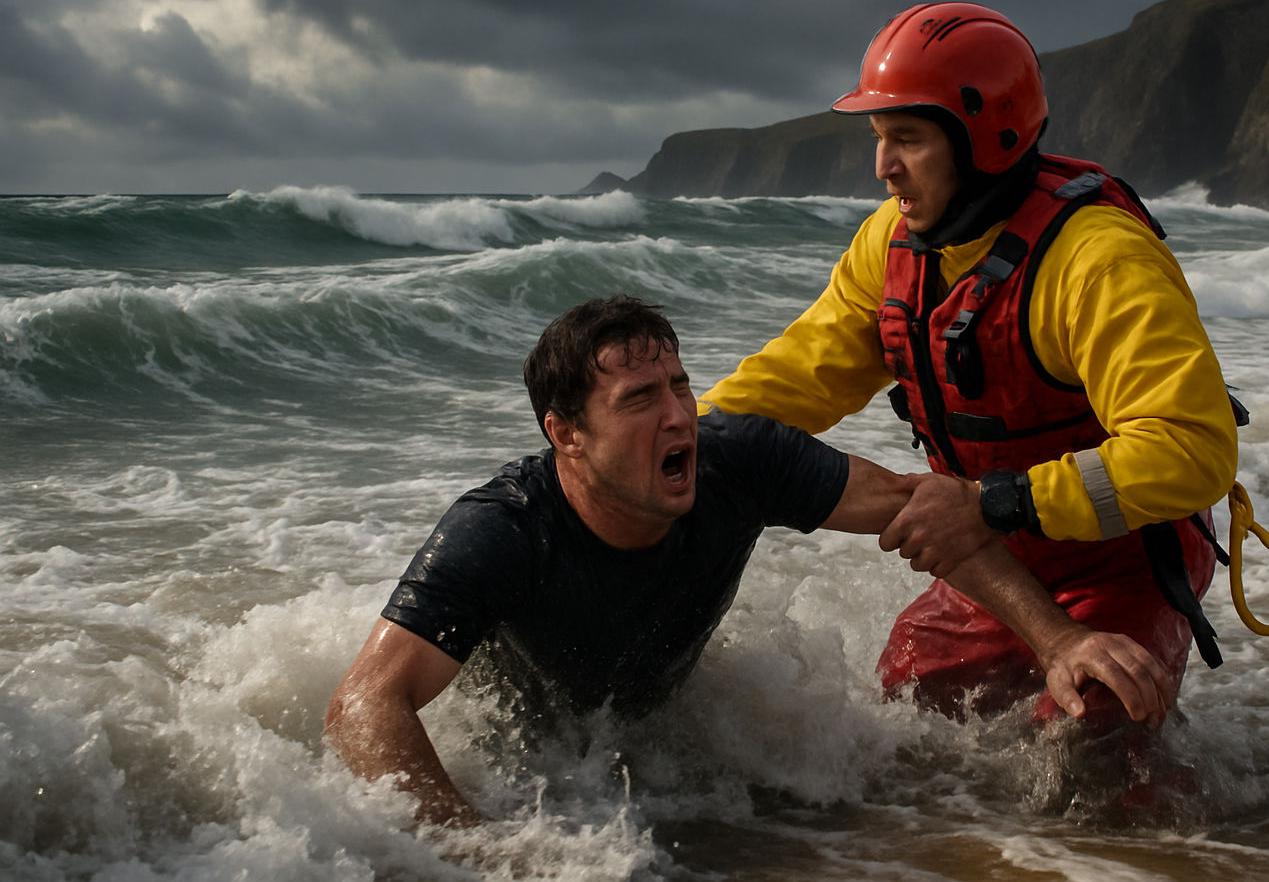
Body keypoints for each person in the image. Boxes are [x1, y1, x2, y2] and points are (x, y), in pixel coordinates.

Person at [325, 295, 1152, 827]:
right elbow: (364, 704)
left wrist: (1058, 643)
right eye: (640, 400)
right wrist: (473, 851)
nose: (678, 416)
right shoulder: (503, 529)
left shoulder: (737, 461)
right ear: (565, 434)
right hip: (532, 761)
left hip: (661, 734)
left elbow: (923, 512)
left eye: (680, 388)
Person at [698, 2, 1241, 727]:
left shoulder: (1100, 259)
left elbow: (1195, 451)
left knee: (1094, 742)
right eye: (878, 138)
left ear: (987, 138)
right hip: (998, 550)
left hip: (1122, 563)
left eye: (907, 139)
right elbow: (798, 375)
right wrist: (671, 446)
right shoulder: (888, 243)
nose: (883, 166)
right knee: (906, 717)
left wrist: (993, 502)